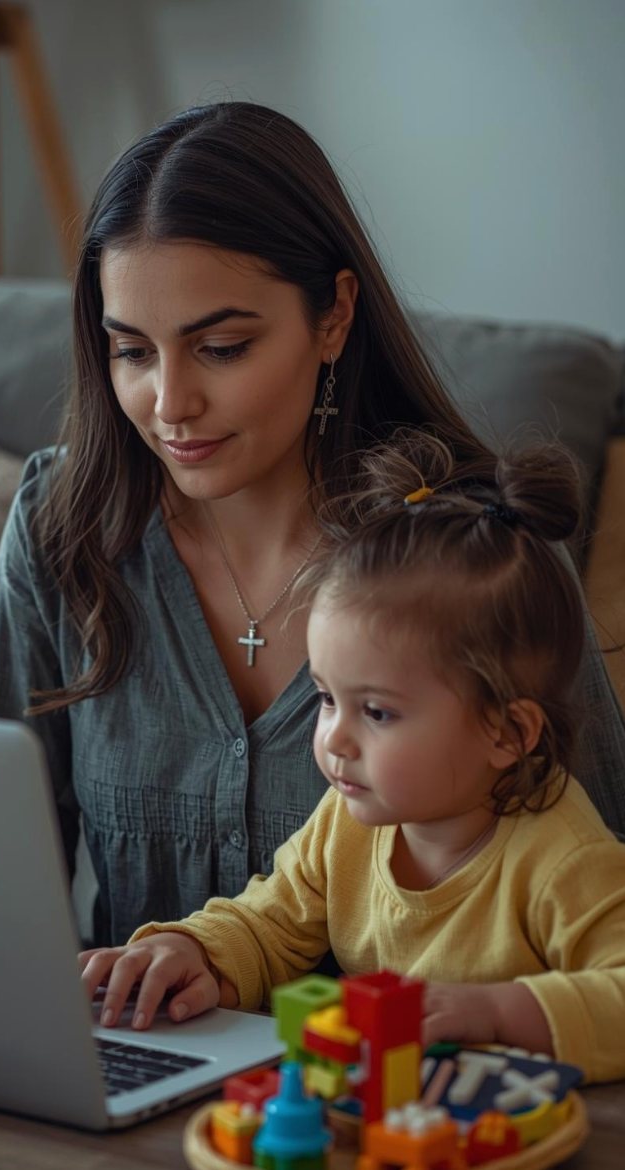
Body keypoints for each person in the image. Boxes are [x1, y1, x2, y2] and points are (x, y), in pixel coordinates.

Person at [0, 101, 625, 949]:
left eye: (222, 347)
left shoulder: (480, 557)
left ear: (334, 317)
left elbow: (605, 877)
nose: (169, 405)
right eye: (131, 350)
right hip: (130, 1067)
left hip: (407, 1078)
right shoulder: (64, 525)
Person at [79, 431, 625, 1085]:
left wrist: (496, 1012)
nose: (333, 738)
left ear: (507, 733)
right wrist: (193, 949)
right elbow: (270, 921)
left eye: (377, 712)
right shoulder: (347, 822)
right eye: (326, 699)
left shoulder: (564, 858)